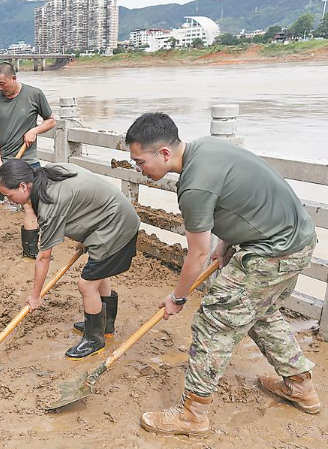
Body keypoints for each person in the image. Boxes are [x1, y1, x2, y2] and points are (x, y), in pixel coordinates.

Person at [126, 113, 320, 437]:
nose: (137, 169)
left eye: (139, 162)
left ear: (163, 153)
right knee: (260, 313)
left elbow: (197, 253)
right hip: (297, 242)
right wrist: (225, 242)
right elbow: (239, 200)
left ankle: (192, 414)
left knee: (213, 321)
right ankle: (301, 386)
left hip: (272, 253)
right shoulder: (205, 148)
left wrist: (177, 298)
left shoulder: (193, 186)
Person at [0, 159, 140, 358]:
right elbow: (83, 200)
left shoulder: (50, 203)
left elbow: (44, 257)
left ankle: (94, 339)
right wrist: (86, 235)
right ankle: (104, 326)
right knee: (100, 274)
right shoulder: (50, 172)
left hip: (117, 225)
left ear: (22, 186)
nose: (8, 200)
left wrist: (35, 295)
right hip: (111, 217)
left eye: (8, 195)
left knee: (87, 285)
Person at [0, 62, 56, 258]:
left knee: (29, 204)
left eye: (2, 83)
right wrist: (0, 163)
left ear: (13, 78)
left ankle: (30, 248)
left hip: (25, 160)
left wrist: (34, 131)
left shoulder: (34, 95)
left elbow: (51, 120)